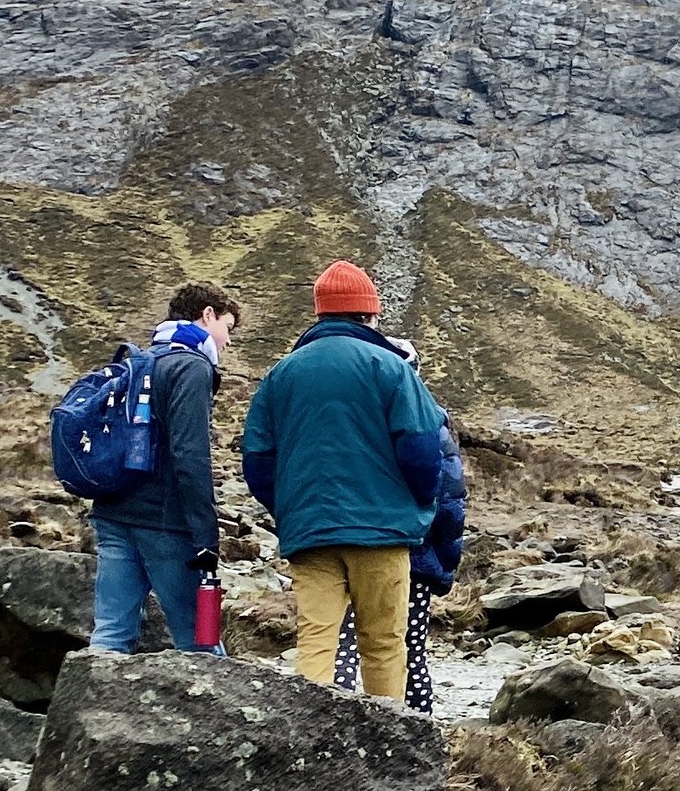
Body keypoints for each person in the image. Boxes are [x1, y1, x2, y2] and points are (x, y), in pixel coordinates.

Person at [238, 260, 445, 700]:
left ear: (321, 314)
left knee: (316, 641)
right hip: (382, 531)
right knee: (385, 643)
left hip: (310, 532)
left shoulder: (281, 374)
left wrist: (290, 508)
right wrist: (416, 506)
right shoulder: (390, 368)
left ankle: (310, 746)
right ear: (369, 314)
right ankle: (389, 741)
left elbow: (256, 460)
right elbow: (423, 450)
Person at [86, 279, 241, 654]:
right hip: (165, 521)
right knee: (199, 638)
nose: (228, 341)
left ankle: (89, 708)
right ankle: (218, 712)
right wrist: (206, 536)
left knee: (110, 633)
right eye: (227, 327)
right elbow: (190, 455)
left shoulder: (137, 362)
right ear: (207, 316)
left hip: (112, 512)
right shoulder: (191, 368)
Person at [334, 357, 466, 716]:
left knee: (344, 644)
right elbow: (450, 500)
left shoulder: (349, 420)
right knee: (408, 651)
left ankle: (333, 727)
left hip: (348, 544)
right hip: (414, 557)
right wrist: (445, 566)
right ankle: (415, 734)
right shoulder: (432, 425)